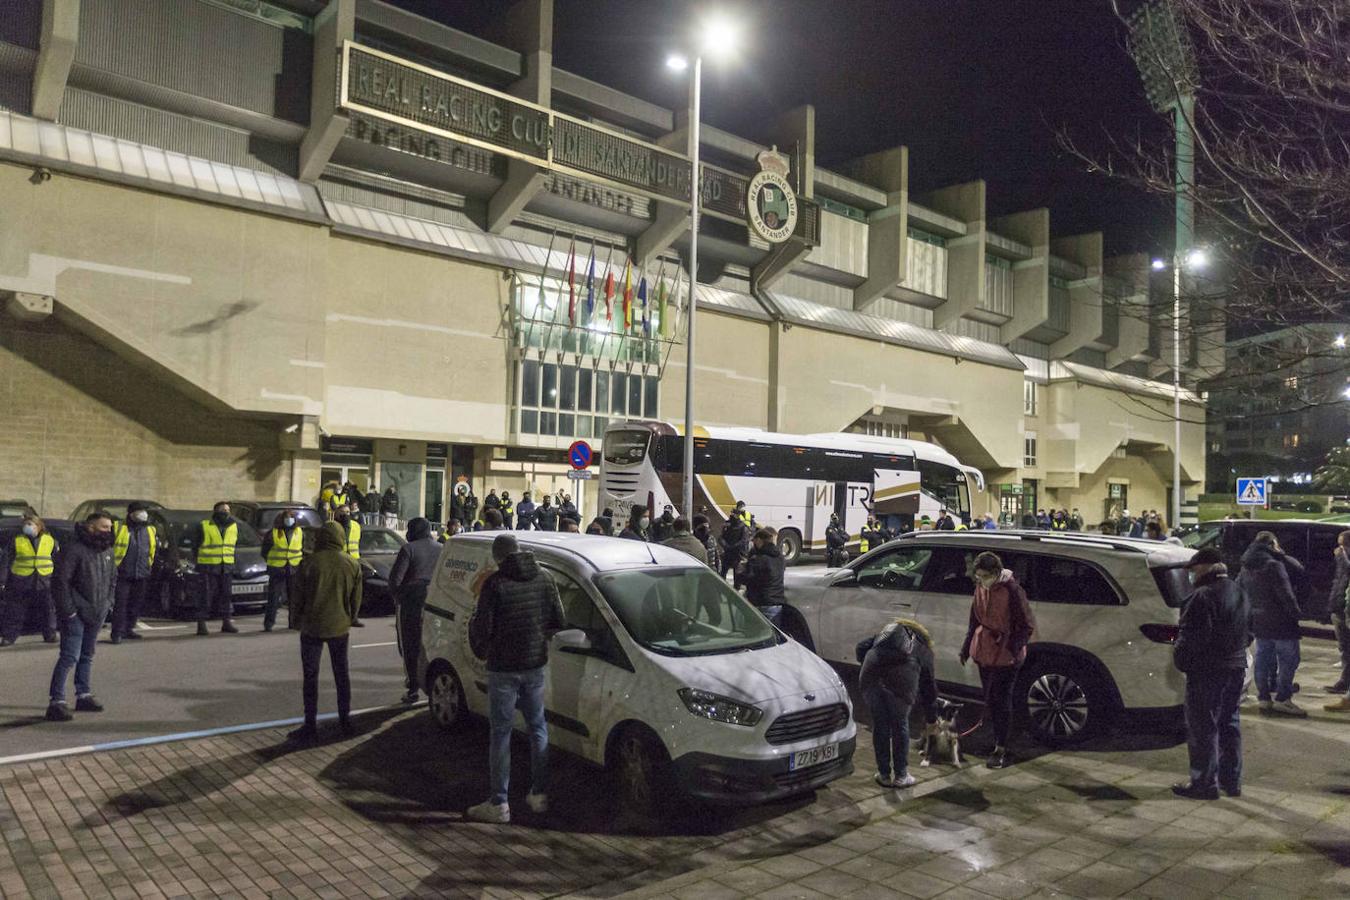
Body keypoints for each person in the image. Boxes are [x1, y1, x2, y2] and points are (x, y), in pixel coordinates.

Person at [467, 533, 565, 824]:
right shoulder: (545, 578)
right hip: (534, 664)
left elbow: (483, 628)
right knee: (538, 728)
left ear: (499, 558)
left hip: (504, 668)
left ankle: (499, 802)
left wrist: (480, 641)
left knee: (501, 732)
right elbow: (558, 620)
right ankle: (539, 794)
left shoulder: (495, 584)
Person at [1171, 547, 1251, 799]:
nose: (1191, 576)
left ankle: (1204, 783)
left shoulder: (1201, 596)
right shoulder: (1239, 592)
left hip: (1208, 671)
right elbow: (1249, 632)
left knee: (1202, 726)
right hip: (1235, 667)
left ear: (1205, 568)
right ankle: (1231, 781)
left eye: (1193, 570)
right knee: (1229, 722)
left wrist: (1181, 660)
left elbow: (1192, 637)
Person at [960, 551, 1034, 769]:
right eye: (978, 576)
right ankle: (995, 741)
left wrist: (1012, 647)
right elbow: (974, 619)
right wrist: (966, 647)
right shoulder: (981, 588)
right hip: (985, 651)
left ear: (996, 572)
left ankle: (1002, 747)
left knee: (1002, 701)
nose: (981, 580)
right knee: (991, 699)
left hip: (1006, 655)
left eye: (984, 576)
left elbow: (1026, 625)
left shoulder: (1012, 590)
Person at [288, 522, 362, 741]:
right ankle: (345, 721)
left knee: (310, 677)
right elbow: (355, 600)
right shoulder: (351, 564)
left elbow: (297, 597)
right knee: (342, 675)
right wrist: (351, 617)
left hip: (311, 627)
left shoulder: (309, 563)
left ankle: (310, 725)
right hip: (339, 627)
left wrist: (295, 621)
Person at [47, 512, 116, 721]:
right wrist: (69, 610)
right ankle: (56, 701)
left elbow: (113, 578)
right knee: (69, 656)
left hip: (97, 611)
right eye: (104, 527)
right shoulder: (74, 549)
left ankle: (83, 694)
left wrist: (108, 603)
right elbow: (61, 582)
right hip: (75, 613)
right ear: (91, 527)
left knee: (87, 655)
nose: (108, 531)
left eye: (110, 527)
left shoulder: (108, 551)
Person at [856, 618, 938, 789]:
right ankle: (901, 775)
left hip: (870, 678)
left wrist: (872, 664)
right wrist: (932, 719)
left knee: (880, 723)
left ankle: (884, 774)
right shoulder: (924, 650)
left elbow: (860, 648)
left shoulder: (884, 636)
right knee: (900, 724)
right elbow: (928, 687)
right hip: (902, 683)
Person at [1239, 531, 1306, 716]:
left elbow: (1240, 591)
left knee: (1263, 659)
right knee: (1289, 660)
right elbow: (1285, 594)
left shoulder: (1245, 565)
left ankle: (1263, 698)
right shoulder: (1273, 565)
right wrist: (1296, 614)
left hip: (1259, 620)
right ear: (1272, 543)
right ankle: (1283, 699)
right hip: (1281, 621)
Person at [390, 517, 441, 705]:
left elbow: (395, 580)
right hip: (435, 604)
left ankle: (413, 688)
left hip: (411, 604)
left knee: (409, 646)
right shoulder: (440, 548)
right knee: (430, 645)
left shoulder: (408, 549)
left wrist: (399, 598)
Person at [1, 514, 59, 646]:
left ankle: (50, 634)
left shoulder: (50, 540)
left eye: (31, 524)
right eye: (26, 524)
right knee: (15, 610)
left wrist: (57, 579)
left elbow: (56, 560)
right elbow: (6, 561)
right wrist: (3, 580)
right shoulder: (17, 540)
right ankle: (9, 636)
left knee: (47, 609)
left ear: (39, 526)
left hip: (44, 580)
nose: (27, 527)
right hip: (21, 580)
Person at [109, 502, 156, 644]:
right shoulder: (119, 527)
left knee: (135, 604)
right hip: (122, 572)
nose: (144, 514)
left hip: (141, 573)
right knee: (120, 604)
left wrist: (148, 567)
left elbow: (151, 550)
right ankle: (117, 632)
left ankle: (129, 629)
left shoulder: (149, 529)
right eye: (140, 511)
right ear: (131, 514)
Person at [194, 502, 239, 636]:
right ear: (216, 511)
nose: (226, 511)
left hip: (226, 566)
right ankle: (201, 624)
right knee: (206, 596)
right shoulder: (205, 525)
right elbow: (195, 546)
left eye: (228, 509)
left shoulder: (234, 525)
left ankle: (226, 622)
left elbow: (234, 546)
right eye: (223, 509)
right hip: (208, 566)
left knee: (226, 595)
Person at [260, 509, 304, 632]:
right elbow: (265, 551)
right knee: (273, 598)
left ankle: (293, 622)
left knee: (294, 599)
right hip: (277, 569)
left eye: (291, 517)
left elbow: (302, 548)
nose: (289, 520)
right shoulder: (273, 533)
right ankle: (269, 623)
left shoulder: (299, 532)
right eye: (287, 517)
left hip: (294, 568)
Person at [1323, 531, 1350, 701]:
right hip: (1338, 607)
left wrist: (1342, 557)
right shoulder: (1342, 561)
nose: (1339, 549)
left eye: (1343, 545)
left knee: (1347, 648)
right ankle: (1344, 682)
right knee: (1344, 648)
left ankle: (1344, 683)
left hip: (1345, 609)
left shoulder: (1344, 560)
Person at [742, 528, 786, 628]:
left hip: (761, 602)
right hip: (776, 603)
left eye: (754, 541)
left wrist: (741, 571)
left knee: (757, 635)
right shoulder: (780, 557)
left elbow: (749, 579)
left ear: (759, 540)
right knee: (774, 636)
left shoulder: (758, 559)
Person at [719, 513, 747, 581]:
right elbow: (721, 537)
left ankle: (736, 588)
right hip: (727, 552)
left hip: (736, 553)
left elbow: (743, 539)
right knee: (723, 572)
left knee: (737, 574)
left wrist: (735, 546)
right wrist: (725, 545)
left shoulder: (742, 526)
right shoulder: (727, 525)